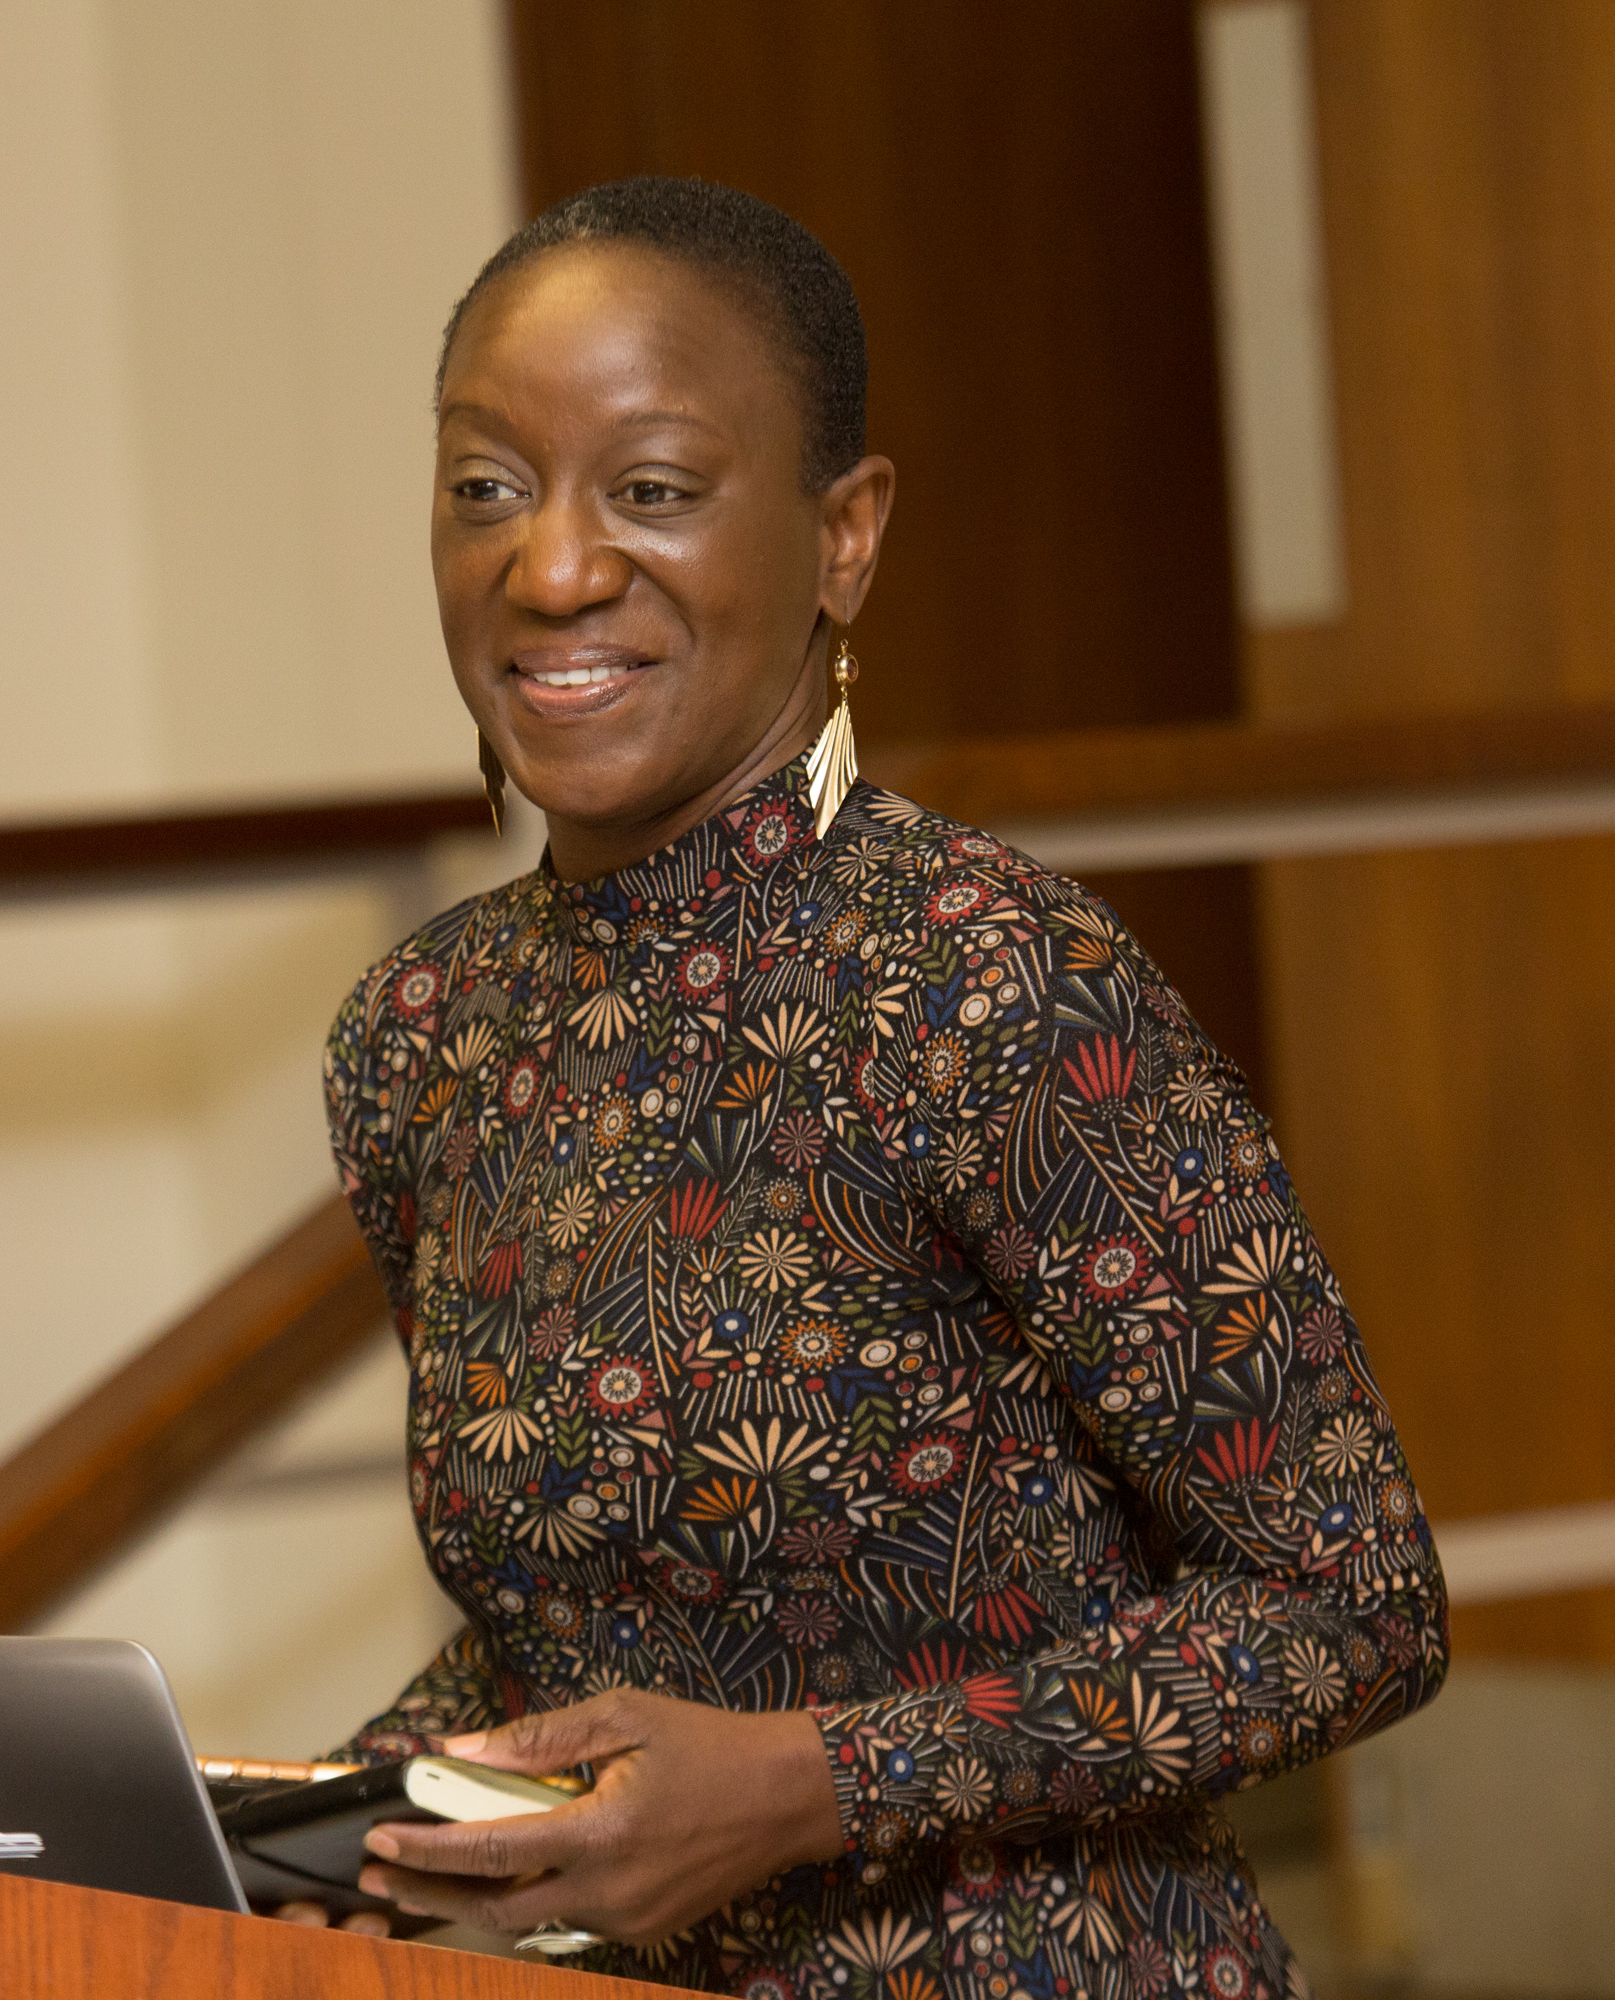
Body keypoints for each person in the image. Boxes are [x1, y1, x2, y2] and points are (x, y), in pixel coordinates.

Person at [291, 175, 1446, 1997]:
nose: (555, 566)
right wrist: (322, 1812)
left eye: (652, 489)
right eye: (487, 488)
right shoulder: (422, 1037)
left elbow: (1351, 1610)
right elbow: (581, 1618)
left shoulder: (992, 980)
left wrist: (816, 1784)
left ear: (845, 539)